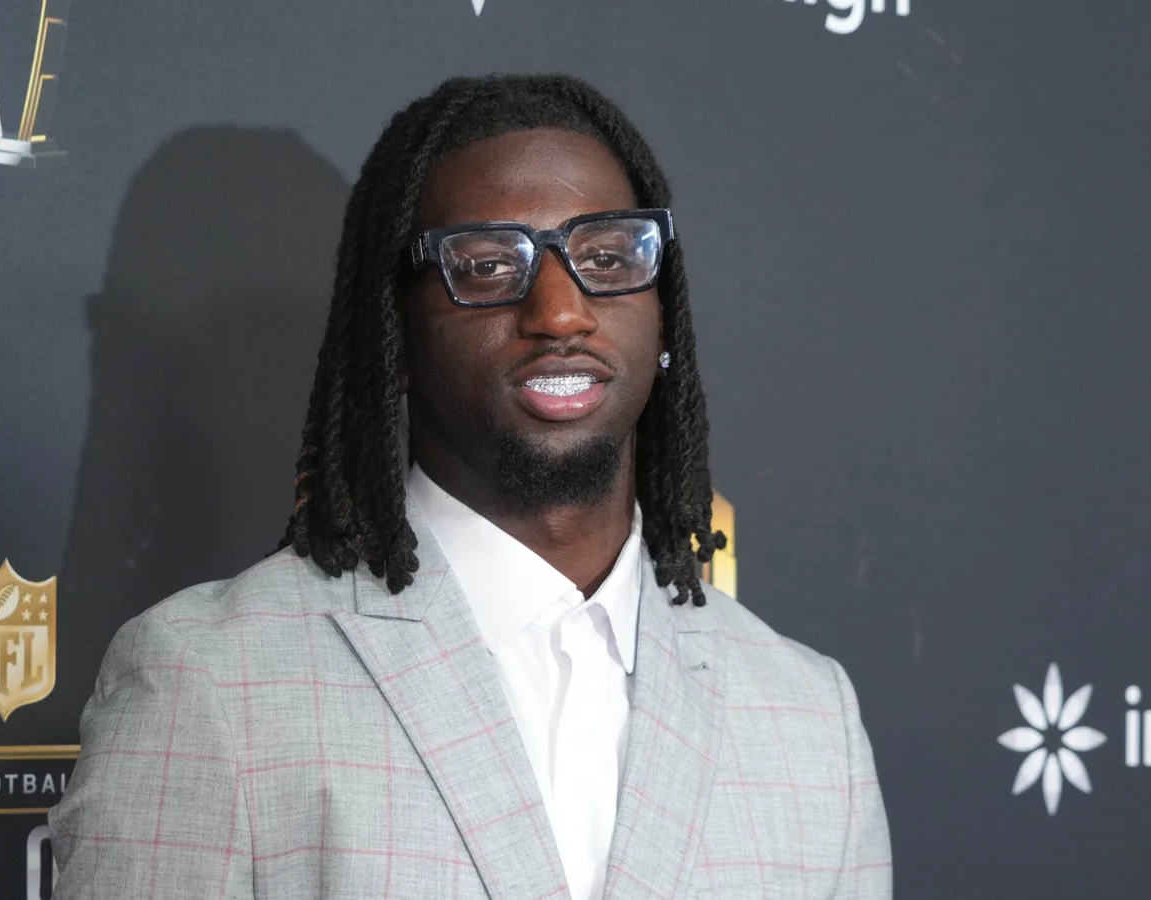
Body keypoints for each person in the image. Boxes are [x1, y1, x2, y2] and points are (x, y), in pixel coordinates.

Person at [49, 73, 892, 899]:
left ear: (662, 309)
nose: (560, 312)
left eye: (606, 257)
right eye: (487, 266)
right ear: (393, 335)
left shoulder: (808, 716)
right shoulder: (210, 682)